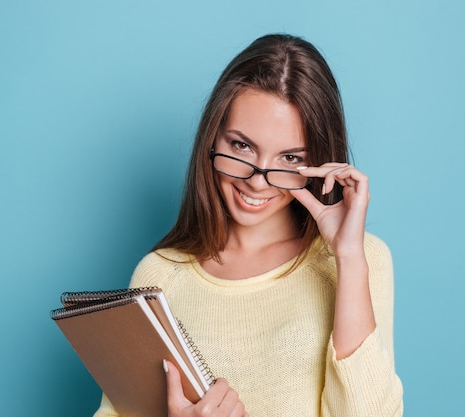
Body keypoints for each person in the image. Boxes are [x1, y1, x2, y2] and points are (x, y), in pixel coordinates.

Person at [94, 33, 403, 417]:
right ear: (213, 139)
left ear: (319, 163)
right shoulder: (160, 275)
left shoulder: (360, 260)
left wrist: (348, 257)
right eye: (241, 146)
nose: (257, 181)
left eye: (290, 158)